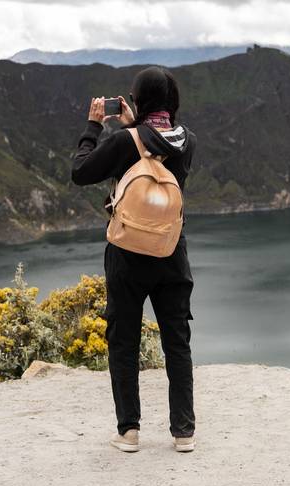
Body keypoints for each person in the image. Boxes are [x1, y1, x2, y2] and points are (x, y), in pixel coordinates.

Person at [71, 67, 197, 453]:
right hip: (171, 252)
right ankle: (183, 432)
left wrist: (95, 127)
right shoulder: (188, 141)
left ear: (137, 100)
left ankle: (129, 431)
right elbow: (157, 145)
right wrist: (133, 125)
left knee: (123, 339)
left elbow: (80, 171)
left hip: (127, 253)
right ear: (172, 101)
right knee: (177, 341)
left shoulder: (125, 141)